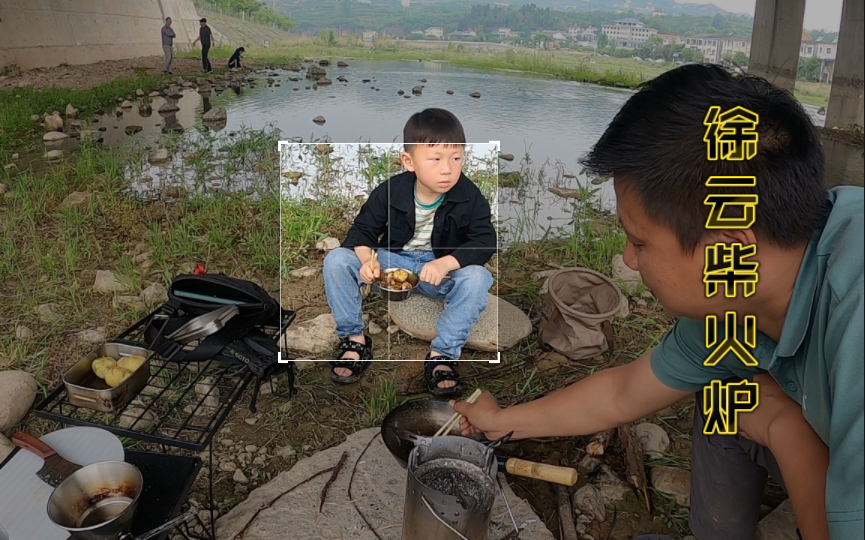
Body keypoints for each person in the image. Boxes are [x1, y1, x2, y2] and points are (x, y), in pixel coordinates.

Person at [451, 64, 862, 540]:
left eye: (640, 243)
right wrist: (501, 423)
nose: (628, 259)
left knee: (761, 407)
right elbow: (622, 392)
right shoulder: (736, 299)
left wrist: (791, 436)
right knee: (727, 396)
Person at [322, 108, 496, 396]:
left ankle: (442, 355)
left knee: (477, 278)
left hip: (438, 272)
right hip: (392, 265)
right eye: (436, 159)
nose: (447, 169)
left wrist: (446, 264)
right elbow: (362, 231)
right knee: (337, 259)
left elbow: (485, 241)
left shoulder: (470, 196)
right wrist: (367, 262)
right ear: (409, 161)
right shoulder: (392, 190)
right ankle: (354, 338)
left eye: (456, 158)